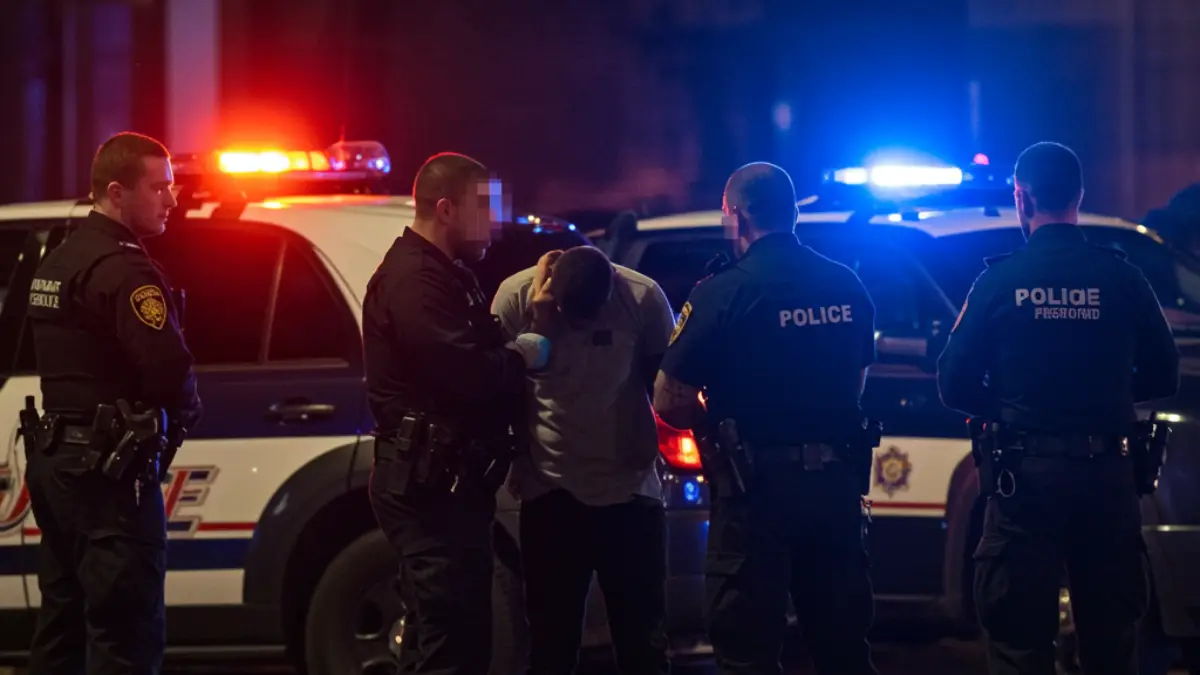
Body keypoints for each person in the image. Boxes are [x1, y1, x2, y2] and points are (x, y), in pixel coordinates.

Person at [937, 141, 1180, 675]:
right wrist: (1105, 396)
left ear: (1021, 198)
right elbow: (1165, 374)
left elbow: (952, 384)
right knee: (1112, 642)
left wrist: (1015, 405)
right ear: (1079, 195)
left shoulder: (998, 281)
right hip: (1108, 478)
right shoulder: (1122, 279)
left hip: (1024, 481)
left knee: (1020, 641)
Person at [652, 162, 880, 675]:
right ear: (794, 212)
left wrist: (714, 420)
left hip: (757, 496)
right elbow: (858, 381)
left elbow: (669, 400)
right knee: (843, 648)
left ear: (735, 217)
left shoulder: (723, 291)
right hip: (835, 492)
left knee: (747, 651)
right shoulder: (845, 284)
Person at [362, 152, 552, 675]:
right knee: (451, 646)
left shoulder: (445, 275)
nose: (494, 220)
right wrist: (521, 355)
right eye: (483, 207)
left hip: (447, 483)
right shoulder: (415, 281)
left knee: (444, 637)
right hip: (429, 486)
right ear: (446, 209)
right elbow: (468, 373)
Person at [22, 131, 202, 675]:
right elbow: (170, 371)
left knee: (62, 626)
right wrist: (176, 420)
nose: (172, 199)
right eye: (161, 187)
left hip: (59, 466)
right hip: (109, 479)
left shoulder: (61, 259)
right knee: (125, 632)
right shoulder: (124, 269)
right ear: (118, 193)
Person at [491, 245, 675, 675]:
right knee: (550, 645)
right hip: (551, 491)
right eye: (572, 317)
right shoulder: (516, 297)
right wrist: (540, 327)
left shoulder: (642, 297)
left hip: (629, 493)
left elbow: (664, 384)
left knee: (644, 645)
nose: (584, 326)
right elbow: (497, 390)